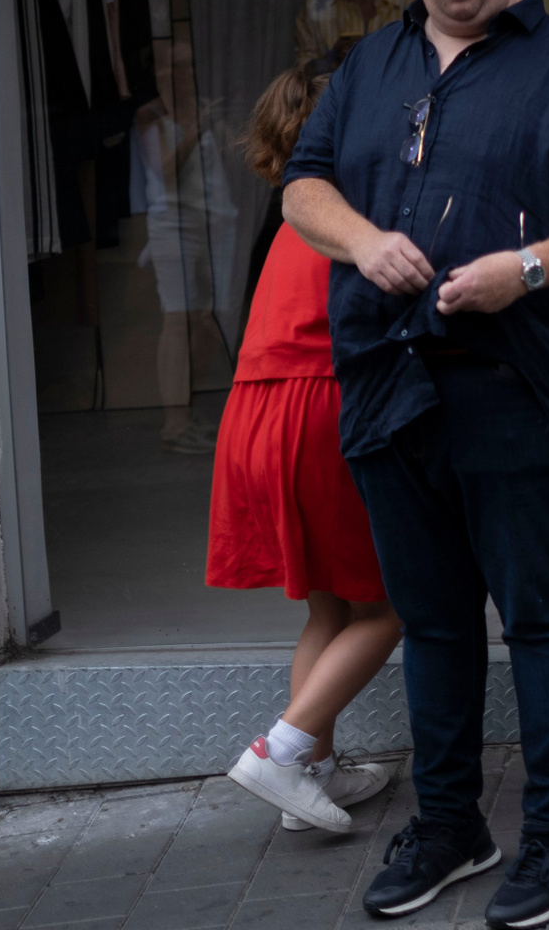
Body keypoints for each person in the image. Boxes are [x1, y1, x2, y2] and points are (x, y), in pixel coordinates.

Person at [281, 0, 549, 928]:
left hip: (512, 384)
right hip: (388, 386)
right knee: (435, 623)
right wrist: (364, 242)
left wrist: (524, 269)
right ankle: (450, 825)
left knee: (541, 620)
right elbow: (303, 186)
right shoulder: (371, 65)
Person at [215, 65, 402, 833]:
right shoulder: (353, 215)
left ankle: (311, 776)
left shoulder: (291, 214)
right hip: (318, 410)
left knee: (328, 605)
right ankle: (281, 752)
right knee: (394, 606)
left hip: (257, 411)